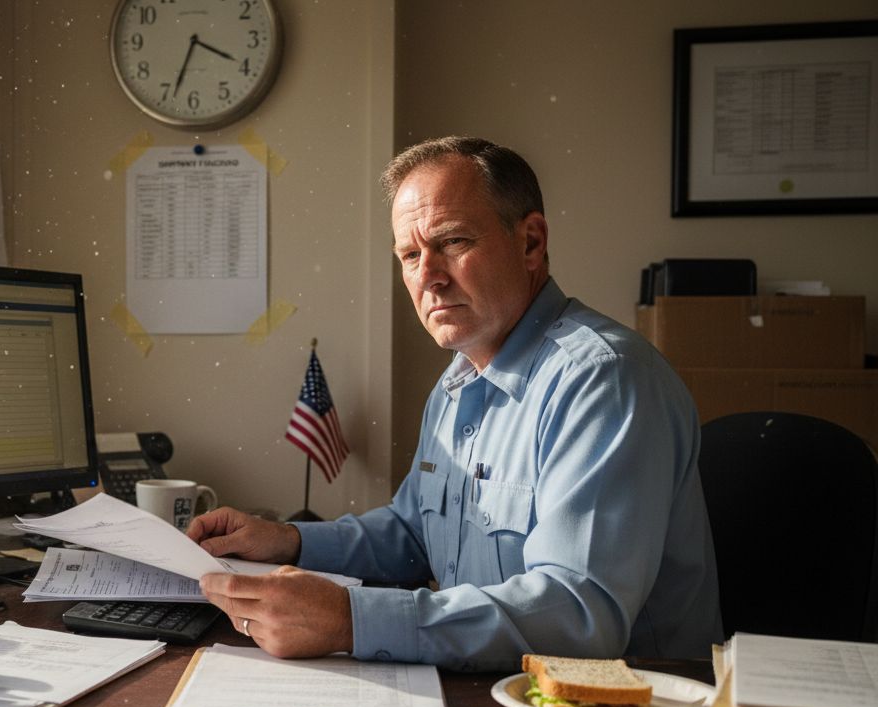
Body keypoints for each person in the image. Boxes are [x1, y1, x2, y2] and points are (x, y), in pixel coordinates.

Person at [188, 136, 722, 671]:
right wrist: (286, 541)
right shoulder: (458, 379)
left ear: (531, 242)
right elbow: (414, 535)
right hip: (490, 688)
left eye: (453, 242)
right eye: (410, 255)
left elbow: (581, 613)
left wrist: (352, 619)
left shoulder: (603, 380)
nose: (428, 276)